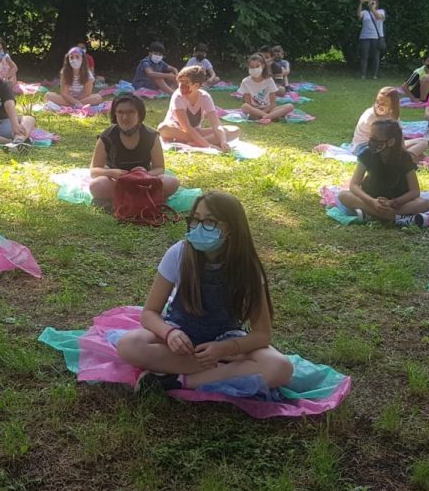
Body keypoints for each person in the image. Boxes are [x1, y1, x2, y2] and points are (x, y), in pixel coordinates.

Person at [114, 190, 295, 394]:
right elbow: (149, 313)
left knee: (280, 367)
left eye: (210, 222)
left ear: (231, 229)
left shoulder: (247, 268)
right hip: (182, 337)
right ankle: (225, 373)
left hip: (226, 343)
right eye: (195, 220)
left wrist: (225, 349)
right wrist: (170, 333)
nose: (199, 228)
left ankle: (178, 381)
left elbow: (262, 334)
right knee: (130, 345)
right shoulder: (179, 253)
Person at [336, 118, 429, 227]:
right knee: (343, 195)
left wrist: (393, 202)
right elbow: (354, 185)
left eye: (376, 139)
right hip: (370, 198)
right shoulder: (367, 154)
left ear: (390, 142)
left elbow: (414, 192)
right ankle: (395, 218)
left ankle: (372, 215)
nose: (371, 142)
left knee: (425, 203)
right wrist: (372, 201)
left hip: (396, 202)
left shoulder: (404, 158)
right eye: (370, 137)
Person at [89, 94, 181, 206]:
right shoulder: (106, 137)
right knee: (97, 185)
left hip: (145, 181)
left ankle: (127, 198)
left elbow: (159, 167)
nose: (125, 117)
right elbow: (94, 171)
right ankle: (140, 197)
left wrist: (144, 175)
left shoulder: (151, 135)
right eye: (120, 112)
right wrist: (111, 172)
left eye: (130, 112)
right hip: (116, 182)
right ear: (115, 114)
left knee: (172, 182)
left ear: (139, 114)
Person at [157, 66, 230, 152]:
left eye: (186, 82)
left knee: (233, 130)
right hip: (178, 131)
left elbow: (216, 124)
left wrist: (223, 140)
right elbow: (186, 127)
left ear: (196, 85)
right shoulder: (178, 96)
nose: (181, 85)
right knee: (163, 128)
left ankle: (192, 143)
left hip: (195, 132)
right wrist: (208, 146)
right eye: (180, 81)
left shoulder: (205, 97)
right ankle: (199, 141)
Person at [351, 87, 426, 161]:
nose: (379, 106)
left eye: (383, 104)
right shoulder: (370, 116)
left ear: (392, 106)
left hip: (386, 144)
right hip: (365, 147)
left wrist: (402, 149)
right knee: (392, 152)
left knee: (423, 142)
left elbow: (400, 136)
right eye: (377, 102)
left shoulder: (392, 115)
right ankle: (405, 160)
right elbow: (378, 141)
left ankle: (406, 158)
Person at [237, 54, 294, 122]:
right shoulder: (246, 81)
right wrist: (258, 111)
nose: (254, 69)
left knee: (290, 106)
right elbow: (248, 104)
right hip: (254, 109)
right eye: (252, 67)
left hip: (269, 108)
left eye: (257, 66)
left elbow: (272, 104)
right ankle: (271, 116)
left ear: (263, 66)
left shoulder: (269, 80)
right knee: (244, 106)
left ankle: (263, 117)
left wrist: (264, 111)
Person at [357, 0, 386, 80]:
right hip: (364, 37)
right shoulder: (365, 12)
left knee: (375, 56)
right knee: (364, 56)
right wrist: (361, 3)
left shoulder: (381, 11)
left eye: (373, 2)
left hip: (376, 37)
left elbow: (378, 17)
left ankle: (374, 75)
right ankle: (363, 75)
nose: (372, 3)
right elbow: (359, 15)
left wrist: (372, 8)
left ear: (377, 3)